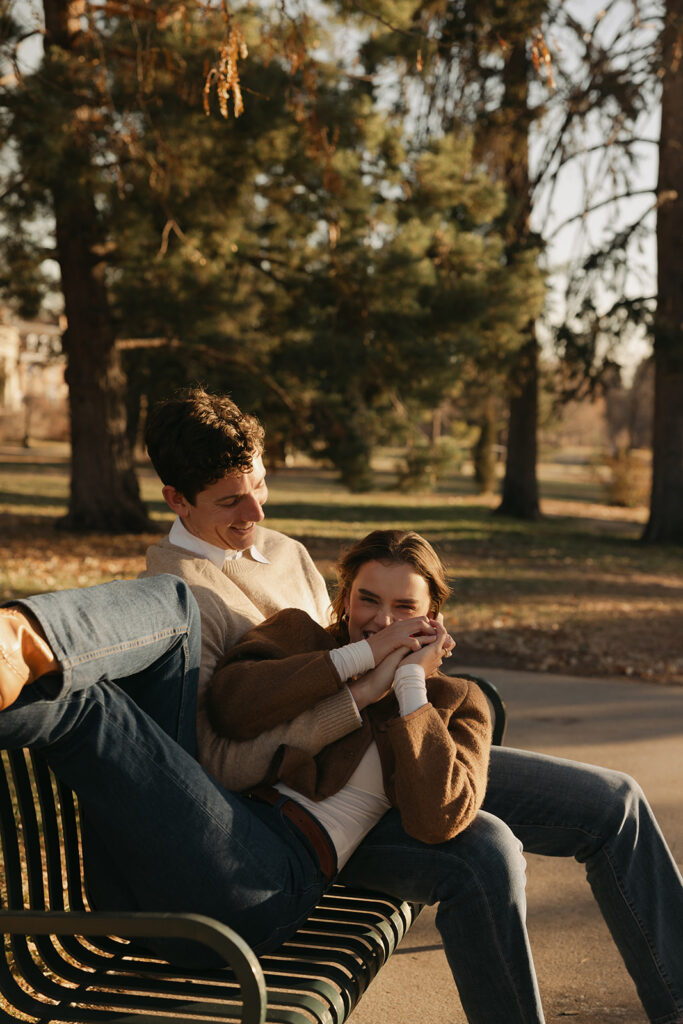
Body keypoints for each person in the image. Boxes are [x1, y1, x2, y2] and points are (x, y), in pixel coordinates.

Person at [140, 387, 683, 1024]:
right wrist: (363, 690)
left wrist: (410, 662)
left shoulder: (283, 551)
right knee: (485, 852)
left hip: (401, 744)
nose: (255, 510)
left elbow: (349, 633)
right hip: (308, 808)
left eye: (260, 484)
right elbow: (217, 755)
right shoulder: (175, 596)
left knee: (615, 801)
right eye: (231, 500)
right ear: (177, 498)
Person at [209, 530, 492, 860]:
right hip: (229, 818)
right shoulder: (299, 636)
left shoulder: (454, 698)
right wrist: (364, 654)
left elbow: (437, 820)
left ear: (432, 618)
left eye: (405, 607)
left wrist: (410, 682)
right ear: (346, 599)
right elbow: (229, 707)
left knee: (507, 840)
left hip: (292, 857)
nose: (383, 621)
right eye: (368, 600)